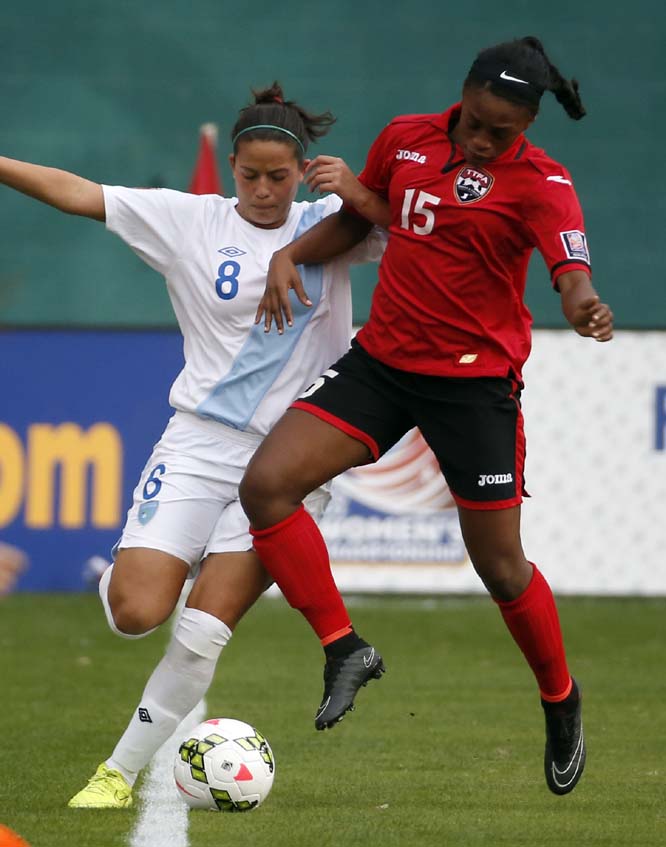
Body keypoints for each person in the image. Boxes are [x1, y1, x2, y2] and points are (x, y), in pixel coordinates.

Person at [239, 37, 614, 796]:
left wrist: (585, 307)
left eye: (500, 132)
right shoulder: (405, 138)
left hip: (474, 388)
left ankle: (560, 698)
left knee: (500, 567)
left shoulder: (544, 181)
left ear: (530, 124)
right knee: (266, 485)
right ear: (463, 95)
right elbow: (360, 222)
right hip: (383, 364)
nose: (480, 139)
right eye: (475, 120)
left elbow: (570, 272)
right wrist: (294, 255)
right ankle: (345, 647)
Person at [0, 82, 388, 809]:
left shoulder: (332, 222)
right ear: (232, 166)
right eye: (251, 176)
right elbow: (78, 193)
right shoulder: (189, 220)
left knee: (203, 629)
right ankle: (151, 565)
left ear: (302, 169)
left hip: (289, 459)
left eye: (280, 177)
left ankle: (114, 775)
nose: (266, 191)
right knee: (135, 613)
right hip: (200, 442)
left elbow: (424, 228)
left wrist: (362, 192)